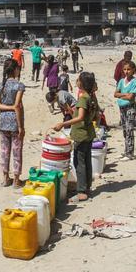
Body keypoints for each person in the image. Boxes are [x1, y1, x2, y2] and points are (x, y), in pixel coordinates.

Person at [53, 72, 99, 202]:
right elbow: (95, 114)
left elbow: (80, 117)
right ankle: (87, 186)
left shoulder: (83, 98)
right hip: (89, 133)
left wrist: (62, 124)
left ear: (82, 84)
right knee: (87, 160)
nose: (76, 82)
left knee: (79, 162)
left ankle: (81, 191)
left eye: (78, 80)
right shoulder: (91, 96)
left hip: (81, 134)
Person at [0, 59, 25, 188]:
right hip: (15, 122)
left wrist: (8, 107)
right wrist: (21, 127)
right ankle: (16, 180)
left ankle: (6, 178)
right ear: (15, 70)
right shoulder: (19, 85)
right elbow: (17, 106)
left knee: (5, 151)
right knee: (17, 150)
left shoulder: (0, 85)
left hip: (3, 121)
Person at [114, 60, 136, 160]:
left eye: (128, 69)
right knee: (125, 129)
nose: (126, 71)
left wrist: (121, 96)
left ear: (133, 70)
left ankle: (130, 153)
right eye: (124, 69)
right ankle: (126, 151)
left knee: (129, 129)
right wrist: (125, 95)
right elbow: (115, 94)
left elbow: (131, 97)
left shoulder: (134, 82)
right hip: (122, 108)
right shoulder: (121, 81)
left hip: (130, 108)